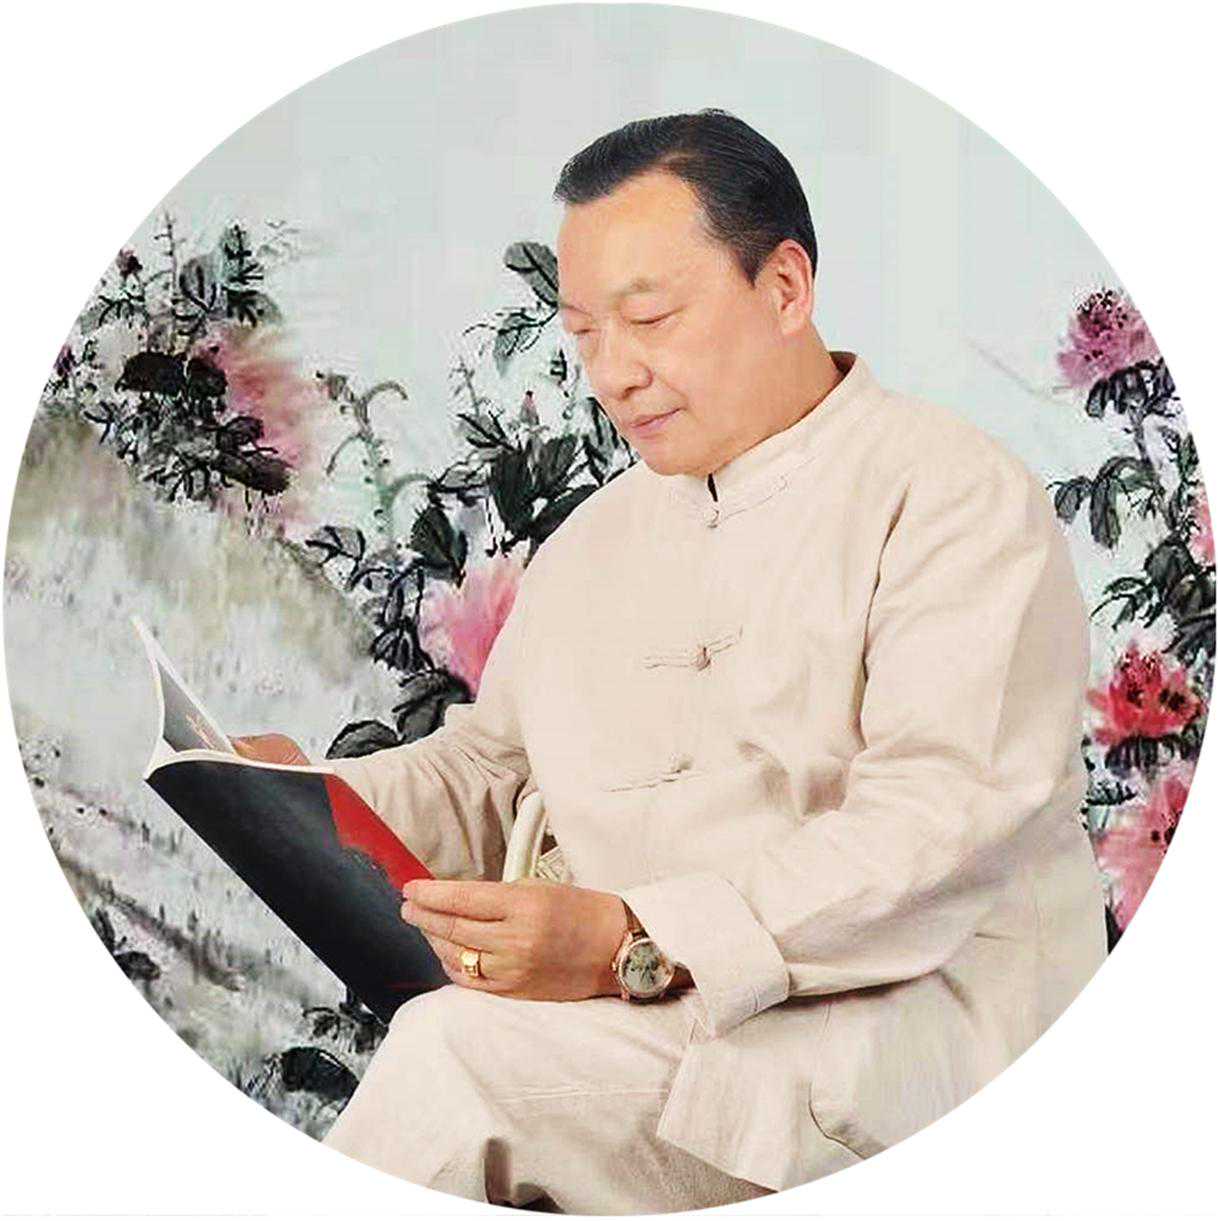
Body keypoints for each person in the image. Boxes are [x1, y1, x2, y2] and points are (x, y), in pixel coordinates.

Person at [234, 109, 1107, 1213]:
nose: (613, 373)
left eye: (649, 319)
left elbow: (933, 824)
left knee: (457, 1062)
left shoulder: (953, 498)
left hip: (898, 1045)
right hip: (649, 1032)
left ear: (784, 288)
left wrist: (630, 939)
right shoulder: (595, 538)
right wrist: (306, 799)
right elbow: (492, 768)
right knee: (457, 1051)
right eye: (584, 333)